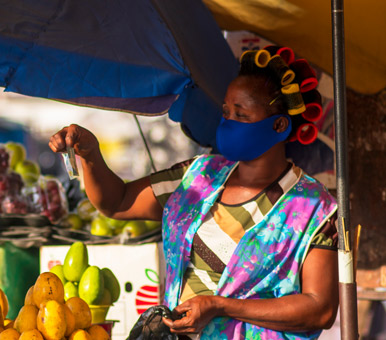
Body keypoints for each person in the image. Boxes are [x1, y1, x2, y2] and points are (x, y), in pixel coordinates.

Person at [50, 47, 338, 339]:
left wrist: (220, 306)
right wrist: (90, 154)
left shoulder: (314, 209)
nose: (228, 121)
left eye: (241, 114)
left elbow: (320, 309)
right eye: (226, 111)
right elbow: (118, 202)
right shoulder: (197, 177)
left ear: (278, 125)